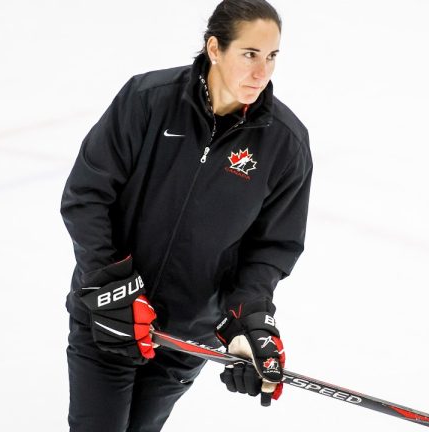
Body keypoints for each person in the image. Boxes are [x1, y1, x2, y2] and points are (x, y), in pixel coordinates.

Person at [60, 1, 311, 430]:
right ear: (215, 48)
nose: (261, 72)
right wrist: (110, 288)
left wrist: (247, 321)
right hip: (109, 320)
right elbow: (86, 196)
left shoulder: (286, 144)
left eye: (271, 57)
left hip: (183, 338)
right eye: (249, 54)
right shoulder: (147, 101)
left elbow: (271, 249)